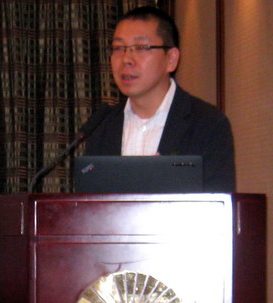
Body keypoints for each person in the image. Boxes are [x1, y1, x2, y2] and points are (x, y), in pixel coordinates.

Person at [85, 6, 236, 192]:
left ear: (171, 59)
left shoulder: (208, 124)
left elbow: (219, 204)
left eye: (140, 48)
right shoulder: (101, 127)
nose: (126, 59)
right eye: (118, 48)